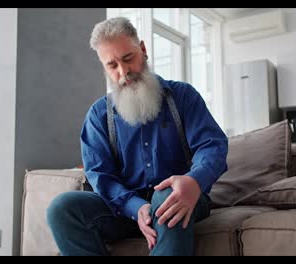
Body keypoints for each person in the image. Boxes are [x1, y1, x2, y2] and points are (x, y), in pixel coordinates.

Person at [46, 17, 228, 256]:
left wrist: (194, 181)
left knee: (167, 197)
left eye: (128, 59)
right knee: (62, 208)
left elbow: (212, 146)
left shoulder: (184, 97)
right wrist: (135, 206)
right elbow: (101, 175)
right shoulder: (98, 115)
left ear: (142, 50)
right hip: (124, 209)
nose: (123, 72)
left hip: (180, 199)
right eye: (112, 65)